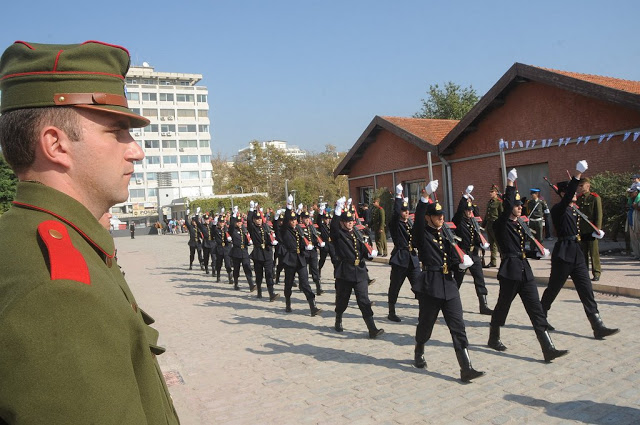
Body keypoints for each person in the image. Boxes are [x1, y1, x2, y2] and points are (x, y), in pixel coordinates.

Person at [0, 40, 179, 423]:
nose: (136, 151)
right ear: (56, 144)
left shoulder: (37, 241)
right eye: (117, 132)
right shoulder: (59, 290)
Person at [487, 168, 568, 363]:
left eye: (520, 205)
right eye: (516, 205)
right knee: (502, 307)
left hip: (524, 270)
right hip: (510, 271)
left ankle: (548, 348)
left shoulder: (520, 224)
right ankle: (493, 336)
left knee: (536, 310)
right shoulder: (501, 223)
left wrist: (537, 253)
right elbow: (507, 208)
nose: (520, 207)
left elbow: (521, 248)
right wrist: (509, 184)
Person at [411, 181, 484, 382]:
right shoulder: (422, 234)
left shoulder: (446, 233)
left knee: (458, 326)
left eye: (442, 216)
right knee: (426, 324)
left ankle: (466, 367)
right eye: (437, 216)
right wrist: (425, 196)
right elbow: (417, 221)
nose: (441, 219)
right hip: (431, 285)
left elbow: (451, 256)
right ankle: (419, 349)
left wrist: (459, 264)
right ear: (429, 217)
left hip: (449, 284)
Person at [540, 161, 619, 340]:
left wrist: (595, 231)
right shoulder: (558, 209)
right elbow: (568, 196)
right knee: (553, 288)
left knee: (586, 289)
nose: (575, 193)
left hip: (576, 251)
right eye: (571, 191)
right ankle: (540, 317)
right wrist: (577, 174)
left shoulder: (573, 209)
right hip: (563, 253)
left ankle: (597, 325)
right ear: (563, 193)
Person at [332, 197, 384, 338]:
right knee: (343, 299)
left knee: (364, 300)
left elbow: (361, 249)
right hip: (345, 272)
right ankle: (338, 319)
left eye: (351, 221)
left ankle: (372, 329)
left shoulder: (356, 233)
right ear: (342, 223)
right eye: (347, 222)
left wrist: (370, 254)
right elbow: (333, 227)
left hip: (360, 271)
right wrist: (337, 210)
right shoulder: (338, 235)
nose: (350, 223)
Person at [452, 186, 493, 315]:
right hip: (463, 254)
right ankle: (450, 303)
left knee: (480, 279)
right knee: (457, 280)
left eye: (471, 210)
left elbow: (475, 237)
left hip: (474, 254)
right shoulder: (459, 220)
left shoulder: (473, 222)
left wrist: (481, 243)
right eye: (467, 210)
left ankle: (483, 305)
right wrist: (465, 197)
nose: (470, 212)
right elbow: (459, 211)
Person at [279, 196, 322, 316]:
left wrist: (308, 245)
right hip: (290, 259)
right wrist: (288, 206)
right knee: (288, 283)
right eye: (291, 220)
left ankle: (312, 306)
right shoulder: (285, 230)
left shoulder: (299, 228)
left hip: (300, 258)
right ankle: (288, 302)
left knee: (305, 283)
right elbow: (287, 217)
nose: (293, 222)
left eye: (295, 220)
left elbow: (303, 238)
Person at [386, 184, 421, 322]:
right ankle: (391, 311)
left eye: (407, 210)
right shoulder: (395, 223)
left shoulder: (410, 223)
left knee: (419, 286)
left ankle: (423, 312)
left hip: (412, 258)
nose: (406, 212)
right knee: (395, 286)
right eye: (403, 210)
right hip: (400, 258)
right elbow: (395, 213)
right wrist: (398, 196)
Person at [247, 201, 280, 301]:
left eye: (260, 219)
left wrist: (272, 242)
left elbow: (269, 237)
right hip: (258, 254)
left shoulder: (265, 227)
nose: (259, 221)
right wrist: (251, 209)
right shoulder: (253, 228)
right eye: (256, 219)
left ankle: (271, 294)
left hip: (267, 253)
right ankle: (259, 291)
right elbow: (248, 221)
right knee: (259, 274)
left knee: (269, 274)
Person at [576, 178, 603, 281]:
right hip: (582, 230)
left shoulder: (595, 198)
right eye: (579, 186)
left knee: (593, 253)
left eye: (582, 185)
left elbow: (599, 215)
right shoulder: (579, 198)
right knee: (583, 253)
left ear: (588, 185)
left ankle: (596, 272)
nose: (580, 188)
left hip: (592, 230)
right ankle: (584, 272)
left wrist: (598, 229)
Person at [229, 206, 256, 292]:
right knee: (236, 269)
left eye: (240, 222)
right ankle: (236, 283)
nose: (239, 223)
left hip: (244, 252)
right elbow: (231, 224)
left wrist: (249, 242)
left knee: (247, 267)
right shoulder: (232, 230)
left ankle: (251, 284)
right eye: (237, 222)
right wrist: (233, 215)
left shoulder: (244, 230)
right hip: (236, 252)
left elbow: (247, 236)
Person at [300, 210, 325, 296]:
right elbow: (299, 240)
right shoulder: (299, 228)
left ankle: (318, 287)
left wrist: (318, 243)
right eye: (305, 218)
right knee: (303, 270)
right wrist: (304, 246)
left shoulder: (312, 227)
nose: (307, 220)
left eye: (308, 218)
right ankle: (302, 284)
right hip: (304, 252)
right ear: (301, 219)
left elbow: (315, 237)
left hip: (313, 251)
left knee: (315, 269)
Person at [482, 184, 503, 268]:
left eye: (492, 192)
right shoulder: (489, 202)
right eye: (490, 192)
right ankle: (493, 261)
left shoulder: (499, 202)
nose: (490, 193)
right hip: (489, 225)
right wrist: (483, 225)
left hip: (496, 225)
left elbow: (501, 215)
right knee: (492, 245)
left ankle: (503, 260)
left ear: (496, 192)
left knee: (499, 245)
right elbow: (487, 215)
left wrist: (501, 226)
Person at [213, 211, 234, 284]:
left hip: (227, 249)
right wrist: (214, 223)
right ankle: (218, 276)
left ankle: (230, 277)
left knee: (228, 264)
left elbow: (232, 227)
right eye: (220, 222)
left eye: (223, 222)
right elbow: (213, 230)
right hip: (219, 249)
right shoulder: (216, 229)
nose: (221, 223)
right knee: (219, 264)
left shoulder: (226, 229)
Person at [627, 184, 640, 260]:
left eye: (632, 192)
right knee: (634, 238)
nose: (630, 194)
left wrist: (636, 207)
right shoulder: (631, 199)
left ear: (636, 192)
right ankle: (637, 254)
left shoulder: (639, 199)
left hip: (638, 220)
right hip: (632, 220)